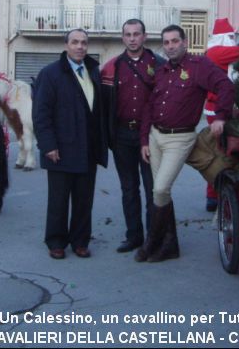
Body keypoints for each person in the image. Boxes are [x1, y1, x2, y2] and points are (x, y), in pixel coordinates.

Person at [137, 24, 235, 263]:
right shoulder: (161, 71)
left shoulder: (199, 66)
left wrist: (221, 116)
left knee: (160, 189)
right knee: (160, 191)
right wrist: (144, 140)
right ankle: (169, 245)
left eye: (174, 41)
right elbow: (150, 105)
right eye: (166, 42)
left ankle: (152, 241)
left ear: (185, 42)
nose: (170, 46)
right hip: (155, 136)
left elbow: (225, 86)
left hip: (180, 138)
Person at [33, 29, 108, 259]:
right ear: (66, 45)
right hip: (60, 149)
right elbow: (41, 113)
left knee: (84, 200)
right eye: (75, 42)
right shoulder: (50, 73)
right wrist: (48, 145)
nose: (80, 47)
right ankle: (56, 241)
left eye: (84, 43)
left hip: (88, 148)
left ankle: (80, 241)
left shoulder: (94, 71)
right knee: (58, 200)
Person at [101, 19, 163, 253]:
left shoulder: (159, 65)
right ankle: (134, 236)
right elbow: (104, 106)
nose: (132, 38)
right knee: (129, 188)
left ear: (144, 36)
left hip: (150, 136)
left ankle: (153, 239)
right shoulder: (111, 67)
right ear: (122, 37)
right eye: (128, 34)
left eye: (137, 34)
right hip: (122, 135)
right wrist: (108, 137)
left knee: (153, 189)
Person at [203, 17, 239, 211]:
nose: (234, 39)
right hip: (218, 109)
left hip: (225, 108)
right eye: (231, 36)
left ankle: (218, 194)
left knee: (225, 150)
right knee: (220, 151)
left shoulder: (215, 52)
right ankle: (214, 195)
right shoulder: (216, 52)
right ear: (224, 38)